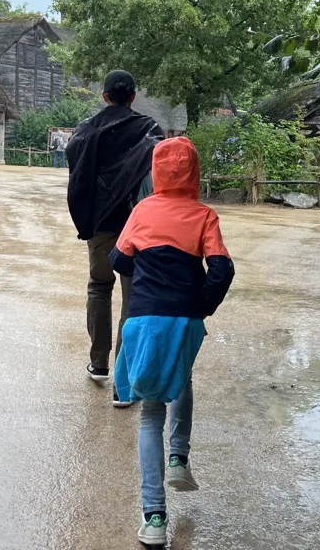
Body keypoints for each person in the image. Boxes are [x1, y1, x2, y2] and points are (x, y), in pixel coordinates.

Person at [109, 137, 235, 546]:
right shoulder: (205, 216)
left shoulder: (143, 211)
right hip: (185, 320)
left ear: (156, 171)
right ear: (194, 173)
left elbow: (118, 260)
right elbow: (221, 269)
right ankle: (179, 457)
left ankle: (154, 518)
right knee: (182, 377)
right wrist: (202, 306)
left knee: (149, 414)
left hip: (143, 319)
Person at [66, 70, 163, 405]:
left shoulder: (86, 130)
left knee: (99, 286)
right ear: (133, 96)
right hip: (139, 223)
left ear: (105, 96)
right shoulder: (149, 130)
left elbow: (76, 170)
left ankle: (98, 363)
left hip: (102, 224)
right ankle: (124, 384)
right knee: (132, 298)